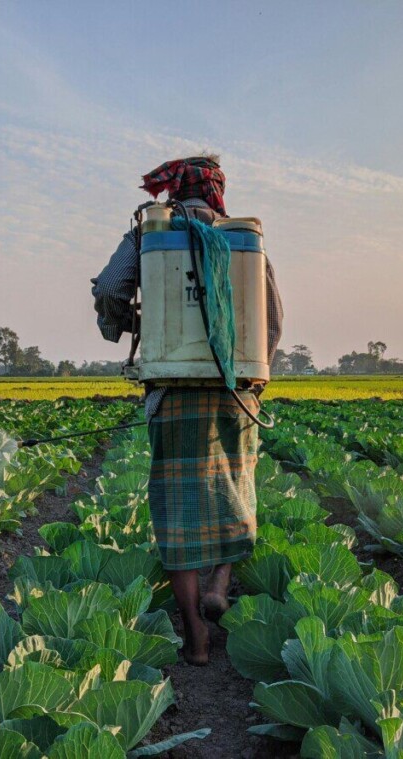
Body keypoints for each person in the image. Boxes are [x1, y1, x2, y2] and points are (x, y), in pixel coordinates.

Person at [91, 155, 283, 665]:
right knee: (234, 494)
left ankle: (196, 642)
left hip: (171, 392)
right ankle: (220, 584)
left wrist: (134, 325)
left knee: (178, 516)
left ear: (171, 192)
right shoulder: (243, 239)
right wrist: (250, 371)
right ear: (218, 191)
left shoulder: (147, 236)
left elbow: (111, 288)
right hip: (235, 390)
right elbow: (272, 319)